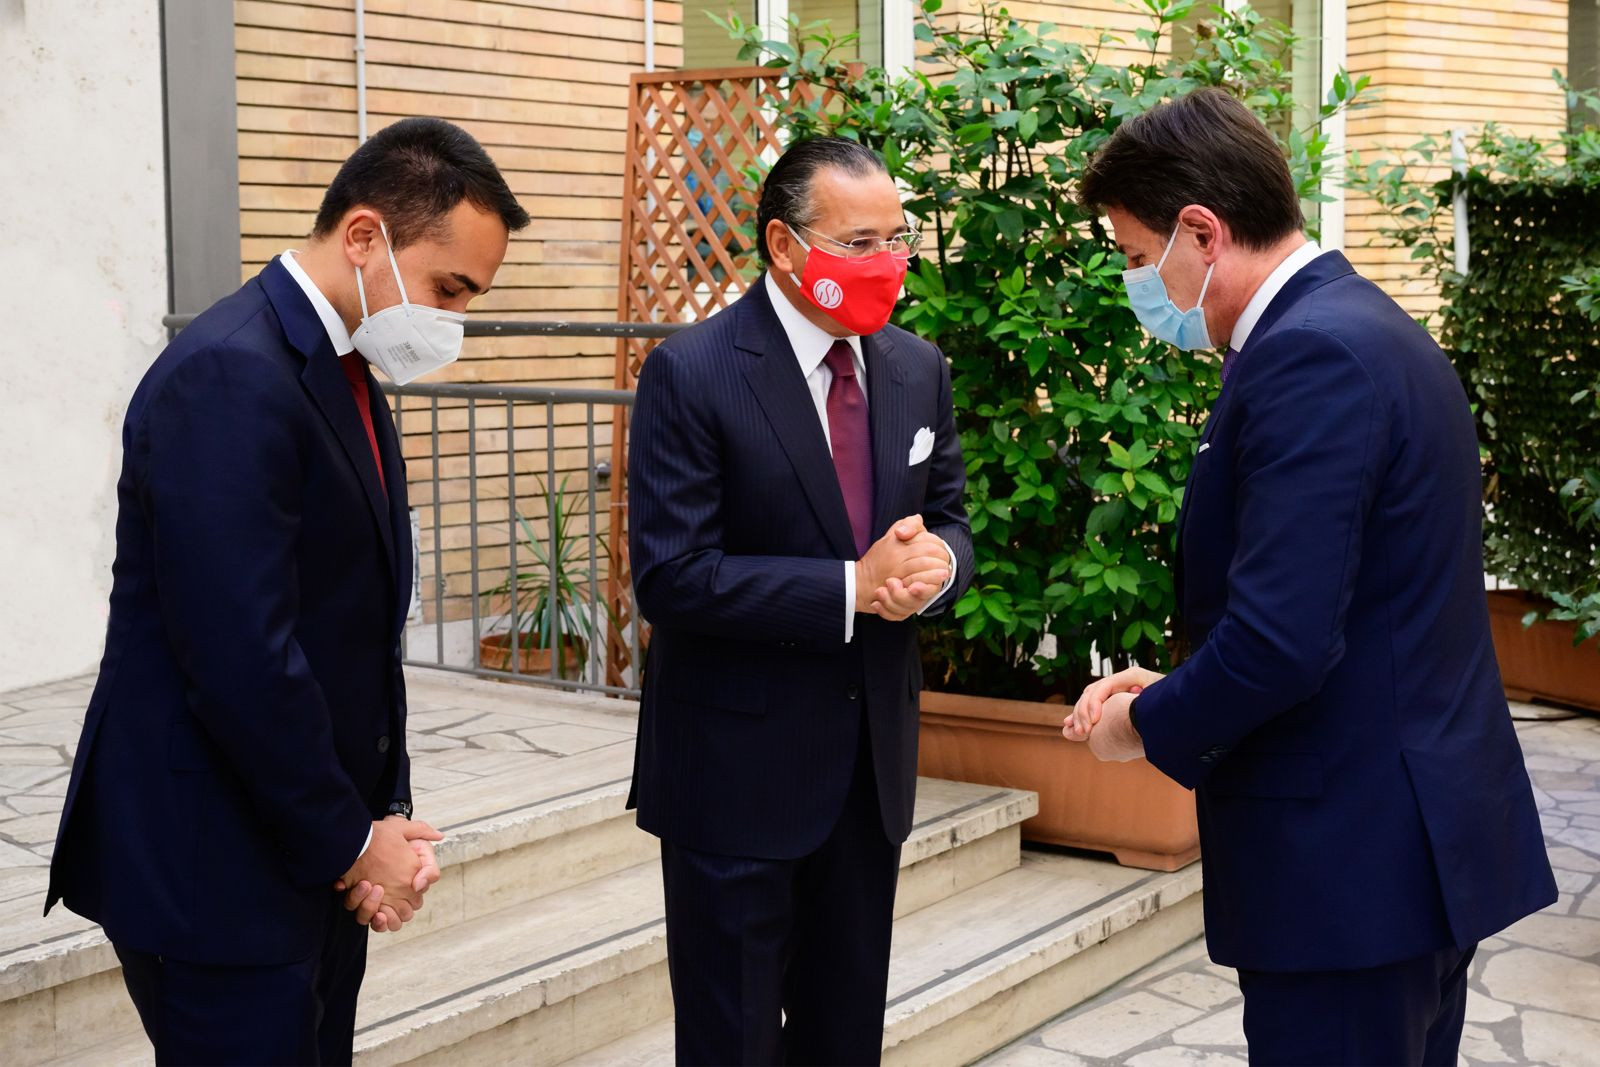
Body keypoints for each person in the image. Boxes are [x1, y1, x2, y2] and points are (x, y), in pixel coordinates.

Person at [1064, 88, 1557, 1066]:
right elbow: (1350, 605)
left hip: (1349, 873)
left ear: (1200, 231)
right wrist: (1179, 685)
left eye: (1134, 256)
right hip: (1394, 853)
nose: (1136, 285)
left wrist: (1143, 724)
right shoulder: (1361, 327)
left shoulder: (1311, 356)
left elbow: (1279, 640)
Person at [46, 117, 530, 1065]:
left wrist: (379, 819)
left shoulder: (339, 363)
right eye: (447, 287)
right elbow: (241, 659)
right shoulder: (231, 372)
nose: (452, 319)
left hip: (300, 846)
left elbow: (348, 626)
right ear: (363, 236)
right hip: (210, 862)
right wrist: (354, 844)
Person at [626, 136, 974, 1065]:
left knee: (844, 1038)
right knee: (733, 1043)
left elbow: (951, 522)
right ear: (785, 245)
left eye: (896, 240)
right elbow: (671, 572)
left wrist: (937, 567)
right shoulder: (691, 371)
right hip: (734, 778)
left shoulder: (915, 368)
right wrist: (849, 589)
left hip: (869, 778)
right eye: (859, 243)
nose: (887, 264)